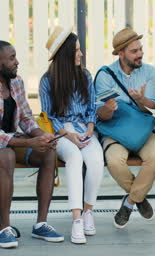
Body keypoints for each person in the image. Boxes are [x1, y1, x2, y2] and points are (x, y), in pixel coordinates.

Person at [0, 40, 64, 249]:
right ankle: (5, 228)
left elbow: (26, 119)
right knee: (6, 156)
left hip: (9, 139)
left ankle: (41, 224)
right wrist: (29, 142)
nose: (17, 62)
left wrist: (43, 136)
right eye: (12, 58)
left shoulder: (16, 82)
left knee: (48, 153)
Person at [39, 26, 104, 244]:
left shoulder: (85, 75)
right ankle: (76, 220)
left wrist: (90, 127)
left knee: (95, 160)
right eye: (76, 50)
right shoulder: (47, 81)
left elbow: (92, 107)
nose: (81, 54)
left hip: (82, 128)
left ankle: (88, 212)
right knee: (74, 158)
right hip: (60, 131)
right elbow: (49, 115)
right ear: (65, 53)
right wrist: (68, 134)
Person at [95, 28, 155, 229]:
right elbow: (100, 114)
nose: (140, 54)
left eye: (140, 49)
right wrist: (108, 109)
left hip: (142, 127)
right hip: (115, 128)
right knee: (115, 161)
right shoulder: (105, 75)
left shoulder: (149, 72)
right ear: (121, 54)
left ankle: (130, 202)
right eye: (134, 51)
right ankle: (139, 198)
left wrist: (141, 100)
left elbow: (152, 106)